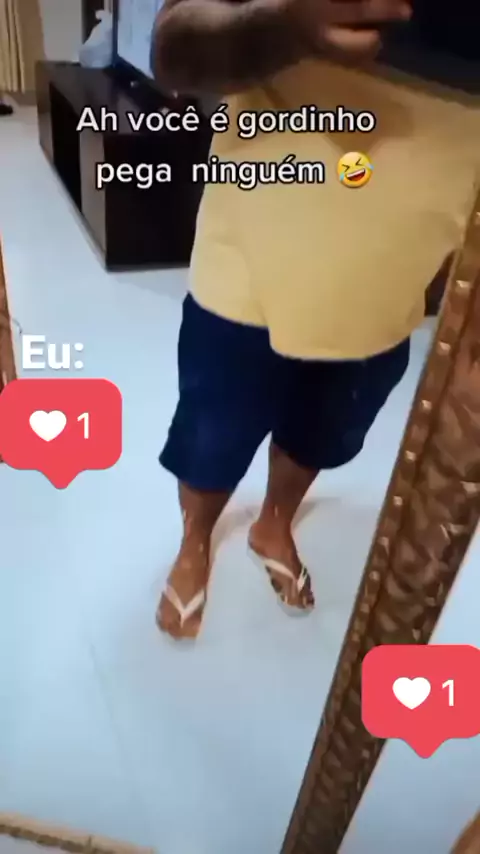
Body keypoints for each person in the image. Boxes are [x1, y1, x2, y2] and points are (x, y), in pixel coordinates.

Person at [151, 0, 480, 639]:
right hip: (252, 251)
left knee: (325, 428)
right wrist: (283, 24)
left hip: (396, 277)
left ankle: (273, 523)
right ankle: (195, 542)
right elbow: (173, 51)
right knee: (213, 432)